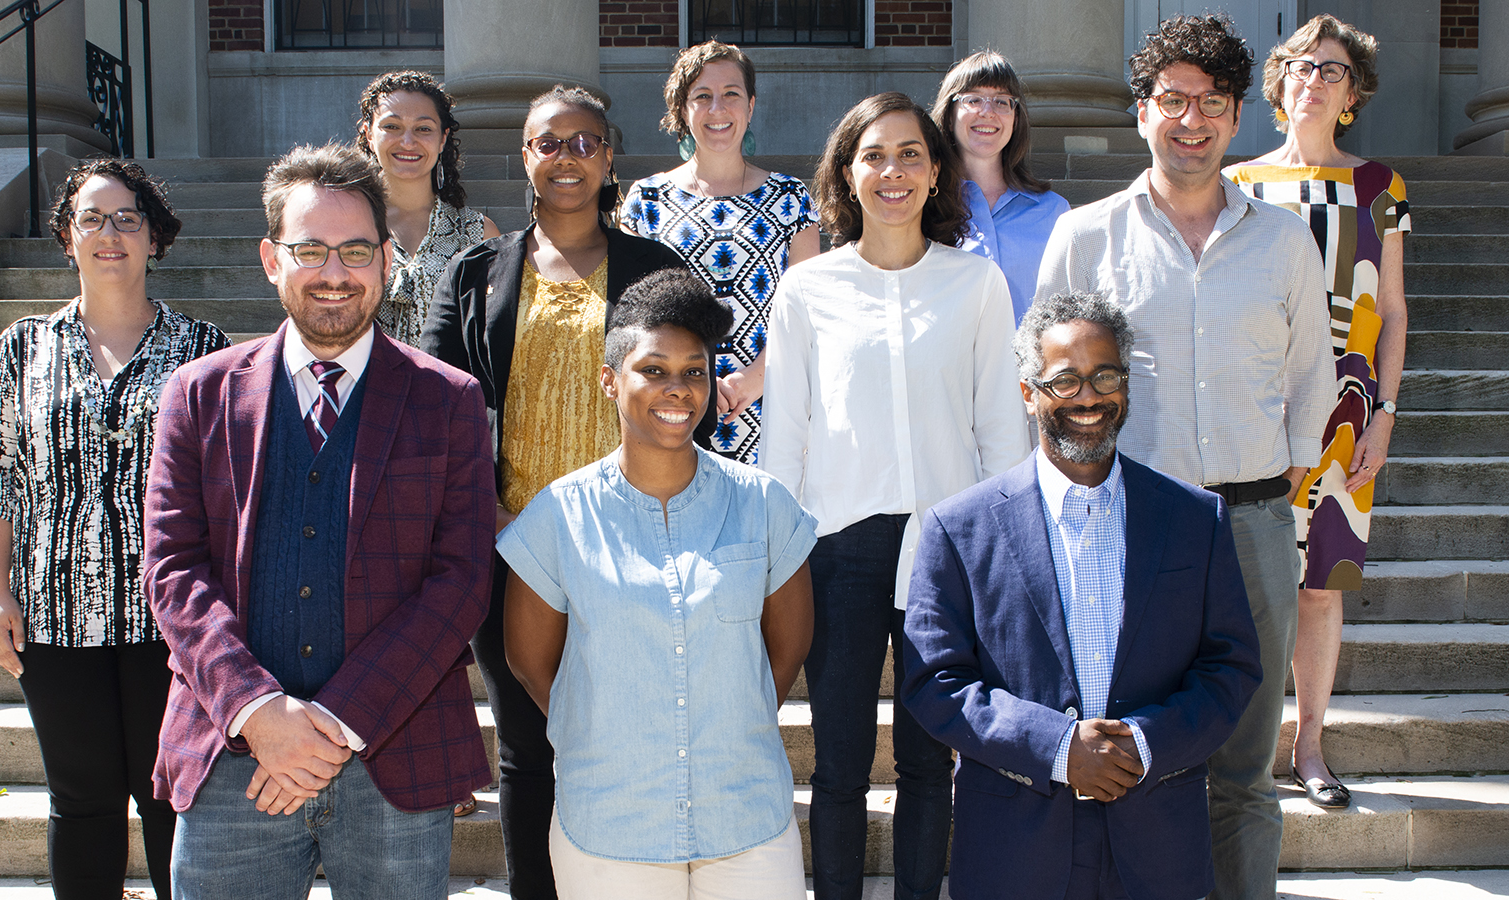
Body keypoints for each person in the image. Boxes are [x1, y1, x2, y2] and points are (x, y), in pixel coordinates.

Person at [141, 142, 496, 898]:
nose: (335, 273)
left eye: (356, 250)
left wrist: (336, 723)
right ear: (271, 258)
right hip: (234, 760)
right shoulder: (197, 393)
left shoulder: (450, 398)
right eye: (311, 249)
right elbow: (173, 571)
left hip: (393, 763)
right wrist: (259, 711)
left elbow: (461, 580)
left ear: (387, 258)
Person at [1034, 15, 1336, 900]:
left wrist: (1280, 478)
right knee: (1136, 755)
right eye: (1173, 100)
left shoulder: (1282, 241)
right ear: (1142, 113)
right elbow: (1046, 381)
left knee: (1244, 770)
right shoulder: (1087, 237)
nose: (1191, 120)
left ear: (1238, 116)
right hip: (1129, 529)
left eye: (1210, 102)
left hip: (1251, 525)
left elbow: (1312, 377)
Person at [901, 290, 1263, 900]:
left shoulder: (1196, 519)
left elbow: (1231, 666)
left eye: (1104, 377)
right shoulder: (956, 528)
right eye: (1065, 381)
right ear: (1028, 393)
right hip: (1015, 849)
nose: (1088, 397)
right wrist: (1060, 748)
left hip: (1157, 845)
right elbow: (932, 681)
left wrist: (1145, 744)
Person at [418, 85, 687, 900]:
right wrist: (487, 514)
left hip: (634, 540)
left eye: (584, 142)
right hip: (514, 544)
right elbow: (441, 406)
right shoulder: (476, 273)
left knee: (633, 735)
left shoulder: (655, 270)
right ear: (525, 157)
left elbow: (683, 400)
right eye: (548, 143)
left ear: (610, 159)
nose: (566, 157)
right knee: (528, 749)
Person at [761, 91, 1031, 900]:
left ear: (936, 169)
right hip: (838, 553)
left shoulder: (976, 285)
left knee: (928, 760)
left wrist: (1007, 557)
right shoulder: (809, 291)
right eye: (875, 155)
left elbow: (1000, 431)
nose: (893, 171)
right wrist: (779, 562)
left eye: (912, 153)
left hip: (949, 552)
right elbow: (789, 436)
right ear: (848, 172)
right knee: (839, 763)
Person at [496, 269, 817, 899]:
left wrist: (724, 720)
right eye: (654, 369)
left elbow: (787, 651)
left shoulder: (763, 506)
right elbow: (530, 664)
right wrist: (611, 730)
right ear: (610, 380)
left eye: (695, 371)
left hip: (746, 819)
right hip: (610, 827)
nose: (678, 388)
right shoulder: (558, 517)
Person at [0, 158, 230, 900]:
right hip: (54, 619)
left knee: (174, 799)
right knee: (80, 802)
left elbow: (230, 491)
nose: (109, 234)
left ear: (155, 239)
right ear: (66, 238)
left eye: (127, 219)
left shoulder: (203, 349)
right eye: (92, 218)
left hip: (171, 622)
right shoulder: (21, 349)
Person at [1224, 14, 1409, 811]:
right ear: (1277, 85)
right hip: (1255, 405)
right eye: (1300, 65)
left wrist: (1385, 415)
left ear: (1353, 93)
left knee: (1319, 585)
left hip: (1346, 412)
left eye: (1331, 69)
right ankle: (1243, 753)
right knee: (1243, 585)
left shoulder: (1381, 188)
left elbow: (1393, 312)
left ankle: (1310, 748)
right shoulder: (1235, 184)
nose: (1313, 78)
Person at [618, 40, 821, 462]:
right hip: (673, 403)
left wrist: (751, 380)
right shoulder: (646, 200)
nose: (717, 109)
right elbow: (630, 315)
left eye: (731, 94)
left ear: (750, 105)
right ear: (682, 110)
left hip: (769, 402)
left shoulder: (791, 197)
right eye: (702, 97)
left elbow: (809, 310)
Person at [357, 70, 500, 349]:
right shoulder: (346, 226)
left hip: (450, 389)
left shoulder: (477, 233)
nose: (408, 142)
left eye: (423, 129)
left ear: (443, 139)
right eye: (392, 126)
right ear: (369, 135)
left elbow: (491, 336)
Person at [930, 49, 1071, 326]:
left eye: (1002, 101)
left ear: (1015, 118)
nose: (988, 111)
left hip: (1031, 367)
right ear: (949, 114)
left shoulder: (1055, 213)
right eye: (973, 99)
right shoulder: (925, 207)